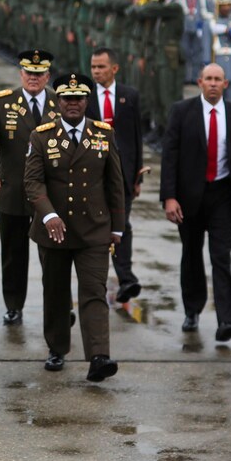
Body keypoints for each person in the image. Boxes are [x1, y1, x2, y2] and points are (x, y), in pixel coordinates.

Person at [25, 73, 124, 382]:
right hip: (54, 230)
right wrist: (47, 215)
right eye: (67, 98)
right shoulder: (42, 136)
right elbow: (32, 182)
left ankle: (99, 356)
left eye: (78, 98)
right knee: (55, 292)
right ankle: (57, 348)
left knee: (94, 291)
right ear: (58, 101)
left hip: (94, 229)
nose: (73, 103)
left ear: (86, 101)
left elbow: (115, 183)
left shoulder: (103, 133)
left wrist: (118, 227)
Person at [161, 63, 231, 340]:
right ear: (199, 82)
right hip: (189, 197)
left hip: (222, 195)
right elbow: (170, 155)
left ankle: (227, 319)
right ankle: (192, 310)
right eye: (208, 79)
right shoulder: (182, 111)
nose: (212, 83)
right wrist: (169, 197)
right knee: (192, 254)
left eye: (217, 80)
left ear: (225, 84)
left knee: (221, 256)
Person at [0, 50, 58, 325]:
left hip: (51, 193)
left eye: (39, 74)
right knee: (13, 253)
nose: (33, 78)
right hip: (13, 189)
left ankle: (57, 305)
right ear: (21, 73)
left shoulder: (61, 102)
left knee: (53, 253)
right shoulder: (2, 103)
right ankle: (13, 305)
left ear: (47, 76)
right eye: (28, 73)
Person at [87, 47, 144, 303]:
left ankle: (126, 278)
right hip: (94, 173)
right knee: (97, 225)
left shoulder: (129, 96)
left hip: (123, 173)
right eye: (93, 67)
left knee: (122, 225)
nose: (96, 71)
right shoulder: (85, 97)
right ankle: (96, 281)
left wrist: (137, 176)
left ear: (114, 68)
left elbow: (136, 138)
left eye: (101, 67)